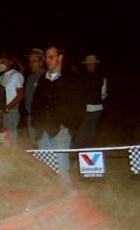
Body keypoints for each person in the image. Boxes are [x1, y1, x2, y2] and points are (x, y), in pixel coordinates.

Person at [31, 44, 82, 180]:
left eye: (51, 57)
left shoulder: (71, 79)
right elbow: (35, 105)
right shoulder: (42, 80)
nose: (47, 60)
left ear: (60, 58)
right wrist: (37, 124)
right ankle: (52, 198)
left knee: (61, 169)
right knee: (46, 170)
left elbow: (78, 105)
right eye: (46, 57)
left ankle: (70, 200)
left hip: (61, 130)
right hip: (43, 131)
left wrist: (67, 124)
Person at [73, 54, 108, 148]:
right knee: (84, 132)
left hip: (93, 109)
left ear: (95, 65)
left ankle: (85, 150)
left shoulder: (100, 77)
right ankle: (81, 150)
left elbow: (103, 93)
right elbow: (103, 94)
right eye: (89, 64)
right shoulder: (82, 77)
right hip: (87, 108)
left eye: (91, 64)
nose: (90, 66)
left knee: (88, 133)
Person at [0, 52, 25, 142]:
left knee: (12, 139)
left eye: (4, 61)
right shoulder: (0, 78)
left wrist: (7, 108)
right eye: (1, 61)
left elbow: (20, 95)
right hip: (1, 111)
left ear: (10, 62)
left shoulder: (16, 75)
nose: (2, 63)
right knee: (2, 138)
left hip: (11, 111)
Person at [24, 48, 47, 146]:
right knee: (34, 145)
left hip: (42, 118)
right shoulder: (30, 78)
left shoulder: (46, 76)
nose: (31, 64)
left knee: (43, 145)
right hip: (31, 116)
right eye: (30, 62)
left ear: (41, 62)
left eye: (34, 61)